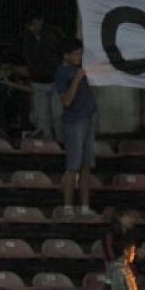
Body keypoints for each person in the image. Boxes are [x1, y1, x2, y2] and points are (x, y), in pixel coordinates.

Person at [52, 39, 97, 216]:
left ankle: (85, 207)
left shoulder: (83, 68)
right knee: (73, 166)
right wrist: (77, 79)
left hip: (88, 118)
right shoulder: (62, 72)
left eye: (81, 53)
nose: (79, 57)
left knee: (86, 166)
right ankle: (68, 206)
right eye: (76, 54)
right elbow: (66, 100)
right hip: (74, 121)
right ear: (66, 55)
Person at [18, 12, 65, 141]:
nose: (32, 28)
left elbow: (64, 51)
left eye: (33, 24)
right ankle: (47, 142)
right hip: (38, 81)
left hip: (56, 80)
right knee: (42, 117)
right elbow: (25, 56)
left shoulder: (55, 33)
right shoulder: (27, 37)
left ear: (40, 21)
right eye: (29, 26)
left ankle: (61, 142)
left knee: (58, 114)